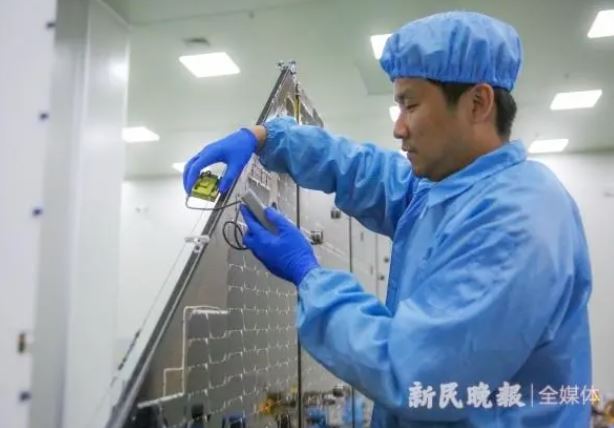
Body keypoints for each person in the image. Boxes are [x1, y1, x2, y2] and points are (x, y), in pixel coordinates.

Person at [183, 11, 592, 427]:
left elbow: (414, 370)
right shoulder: (450, 188)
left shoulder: (516, 220)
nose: (398, 128)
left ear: (478, 103)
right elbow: (365, 172)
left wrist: (310, 277)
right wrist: (267, 138)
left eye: (410, 105)